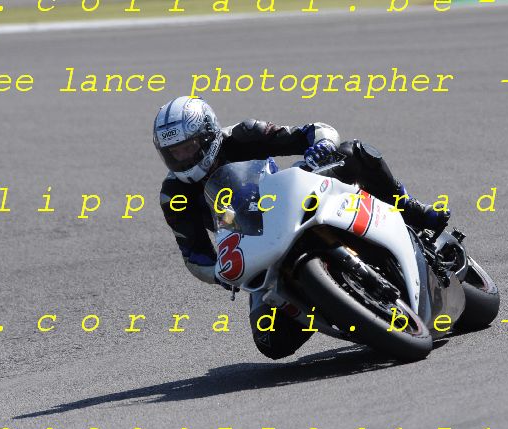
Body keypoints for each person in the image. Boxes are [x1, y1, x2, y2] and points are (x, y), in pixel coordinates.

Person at [154, 96, 449, 360]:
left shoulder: (244, 134)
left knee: (353, 152)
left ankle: (409, 207)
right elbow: (194, 255)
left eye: (188, 148)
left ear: (208, 135)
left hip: (287, 202)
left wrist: (321, 145)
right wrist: (221, 274)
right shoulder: (173, 195)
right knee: (271, 342)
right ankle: (339, 309)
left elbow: (313, 131)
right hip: (255, 245)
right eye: (173, 153)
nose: (182, 158)